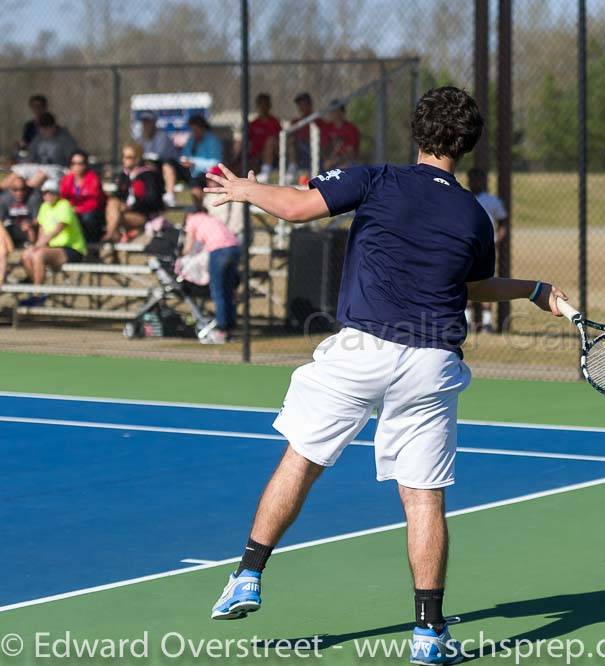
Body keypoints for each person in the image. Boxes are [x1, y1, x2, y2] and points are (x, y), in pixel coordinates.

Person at [203, 86, 567, 665]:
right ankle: (428, 634)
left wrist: (243, 189)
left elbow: (297, 207)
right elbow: (474, 286)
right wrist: (532, 289)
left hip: (361, 350)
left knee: (302, 458)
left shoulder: (376, 180)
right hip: (431, 363)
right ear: (466, 147)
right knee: (423, 499)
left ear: (417, 133)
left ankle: (249, 574)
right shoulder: (474, 214)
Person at [18, 180, 87, 306]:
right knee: (26, 254)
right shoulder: (44, 207)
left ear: (57, 194)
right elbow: (42, 230)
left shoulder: (64, 205)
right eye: (45, 193)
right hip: (53, 249)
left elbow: (58, 229)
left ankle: (37, 294)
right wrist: (36, 244)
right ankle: (37, 288)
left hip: (72, 249)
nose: (48, 196)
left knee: (38, 254)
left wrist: (39, 245)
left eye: (51, 193)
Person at [181, 210, 241, 344]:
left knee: (218, 291)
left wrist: (180, 255)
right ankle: (230, 327)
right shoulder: (211, 219)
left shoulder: (192, 220)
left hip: (219, 251)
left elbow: (189, 247)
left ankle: (222, 330)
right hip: (235, 248)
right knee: (228, 291)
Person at [465, 167, 508, 332]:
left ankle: (487, 323)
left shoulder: (492, 201)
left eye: (477, 179)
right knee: (465, 281)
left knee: (486, 281)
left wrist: (497, 239)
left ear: (483, 181)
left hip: (486, 247)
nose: (474, 183)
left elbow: (503, 221)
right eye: (472, 179)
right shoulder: (464, 197)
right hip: (468, 246)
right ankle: (467, 321)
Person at [104, 142, 165, 241]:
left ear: (137, 159)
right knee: (112, 202)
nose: (124, 160)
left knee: (113, 216)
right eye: (123, 157)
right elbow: (119, 194)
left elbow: (151, 200)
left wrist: (130, 207)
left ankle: (112, 233)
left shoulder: (148, 176)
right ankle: (113, 234)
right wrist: (121, 204)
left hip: (143, 214)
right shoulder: (124, 175)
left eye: (128, 157)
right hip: (122, 213)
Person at [0, 175, 41, 283]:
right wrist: (8, 242)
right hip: (10, 231)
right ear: (10, 190)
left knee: (29, 229)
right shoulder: (4, 198)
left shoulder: (33, 198)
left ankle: (30, 250)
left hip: (28, 230)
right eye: (15, 189)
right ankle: (2, 278)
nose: (19, 192)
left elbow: (38, 220)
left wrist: (30, 223)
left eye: (22, 189)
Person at [58, 149, 105, 243]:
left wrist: (78, 209)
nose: (77, 167)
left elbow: (94, 202)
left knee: (88, 217)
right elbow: (63, 198)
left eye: (80, 163)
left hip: (92, 212)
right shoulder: (66, 179)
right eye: (74, 163)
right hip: (72, 210)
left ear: (86, 165)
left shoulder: (93, 179)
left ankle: (91, 242)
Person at [179, 114, 224, 208]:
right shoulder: (192, 140)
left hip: (206, 174)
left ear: (203, 128)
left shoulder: (212, 140)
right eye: (192, 130)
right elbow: (184, 155)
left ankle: (200, 209)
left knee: (197, 185)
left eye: (196, 129)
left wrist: (194, 163)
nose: (194, 132)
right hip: (190, 173)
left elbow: (215, 162)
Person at [138, 111, 180, 207]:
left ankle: (170, 195)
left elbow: (159, 156)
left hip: (172, 166)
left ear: (153, 123)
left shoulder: (162, 136)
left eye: (148, 122)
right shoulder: (141, 138)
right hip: (151, 167)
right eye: (144, 122)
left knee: (166, 165)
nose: (146, 125)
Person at [288, 92, 325, 181]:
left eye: (303, 104)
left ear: (310, 105)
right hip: (298, 153)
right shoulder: (295, 122)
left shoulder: (318, 121)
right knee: (292, 142)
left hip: (313, 151)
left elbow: (323, 142)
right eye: (299, 104)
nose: (301, 107)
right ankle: (292, 170)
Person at [248, 93, 282, 182]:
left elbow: (279, 141)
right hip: (255, 157)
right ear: (257, 106)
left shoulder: (275, 122)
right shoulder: (253, 124)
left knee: (270, 141)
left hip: (272, 157)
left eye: (265, 104)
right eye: (261, 104)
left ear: (269, 105)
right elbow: (248, 142)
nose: (263, 107)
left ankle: (265, 172)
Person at [321, 103, 361, 169]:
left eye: (336, 111)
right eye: (332, 111)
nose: (334, 113)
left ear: (342, 112)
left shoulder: (351, 128)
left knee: (348, 166)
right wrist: (328, 160)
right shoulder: (327, 128)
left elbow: (351, 152)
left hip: (346, 161)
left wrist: (334, 161)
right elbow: (324, 149)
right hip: (330, 161)